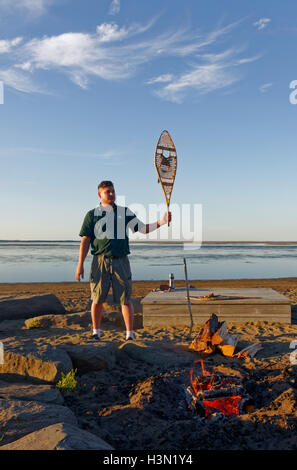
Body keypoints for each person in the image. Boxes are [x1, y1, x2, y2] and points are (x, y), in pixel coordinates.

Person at [75, 180, 171, 341]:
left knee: (125, 299)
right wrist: (80, 265)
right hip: (99, 261)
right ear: (100, 195)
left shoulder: (124, 212)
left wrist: (161, 222)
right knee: (97, 298)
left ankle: (129, 334)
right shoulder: (92, 215)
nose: (111, 194)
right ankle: (96, 332)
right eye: (107, 192)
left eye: (113, 191)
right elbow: (85, 240)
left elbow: (142, 229)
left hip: (121, 261)